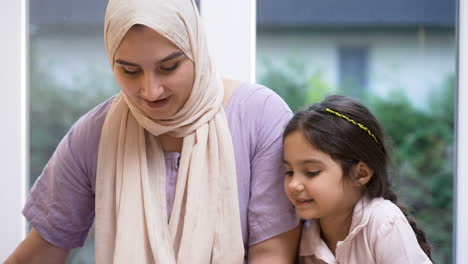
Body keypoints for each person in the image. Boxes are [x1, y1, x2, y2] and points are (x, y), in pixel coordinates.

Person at [5, 0, 300, 263]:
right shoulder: (95, 134)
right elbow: (40, 252)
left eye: (169, 67)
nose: (151, 90)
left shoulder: (260, 116)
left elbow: (273, 254)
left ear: (196, 49)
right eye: (130, 72)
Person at [282, 95, 433, 264]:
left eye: (312, 172)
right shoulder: (304, 236)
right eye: (288, 172)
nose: (294, 184)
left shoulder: (383, 222)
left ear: (360, 174)